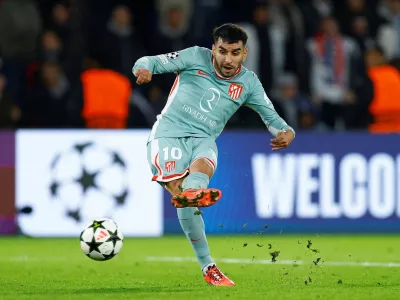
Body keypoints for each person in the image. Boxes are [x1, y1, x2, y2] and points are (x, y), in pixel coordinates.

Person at [132, 23, 295, 286]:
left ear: (245, 53)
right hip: (168, 134)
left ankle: (196, 213)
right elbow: (150, 61)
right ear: (213, 50)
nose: (227, 59)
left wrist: (287, 132)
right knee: (179, 190)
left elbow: (272, 117)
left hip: (204, 140)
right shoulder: (194, 56)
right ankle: (206, 257)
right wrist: (143, 69)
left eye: (235, 53)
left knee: (197, 177)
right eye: (222, 51)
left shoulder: (248, 83)